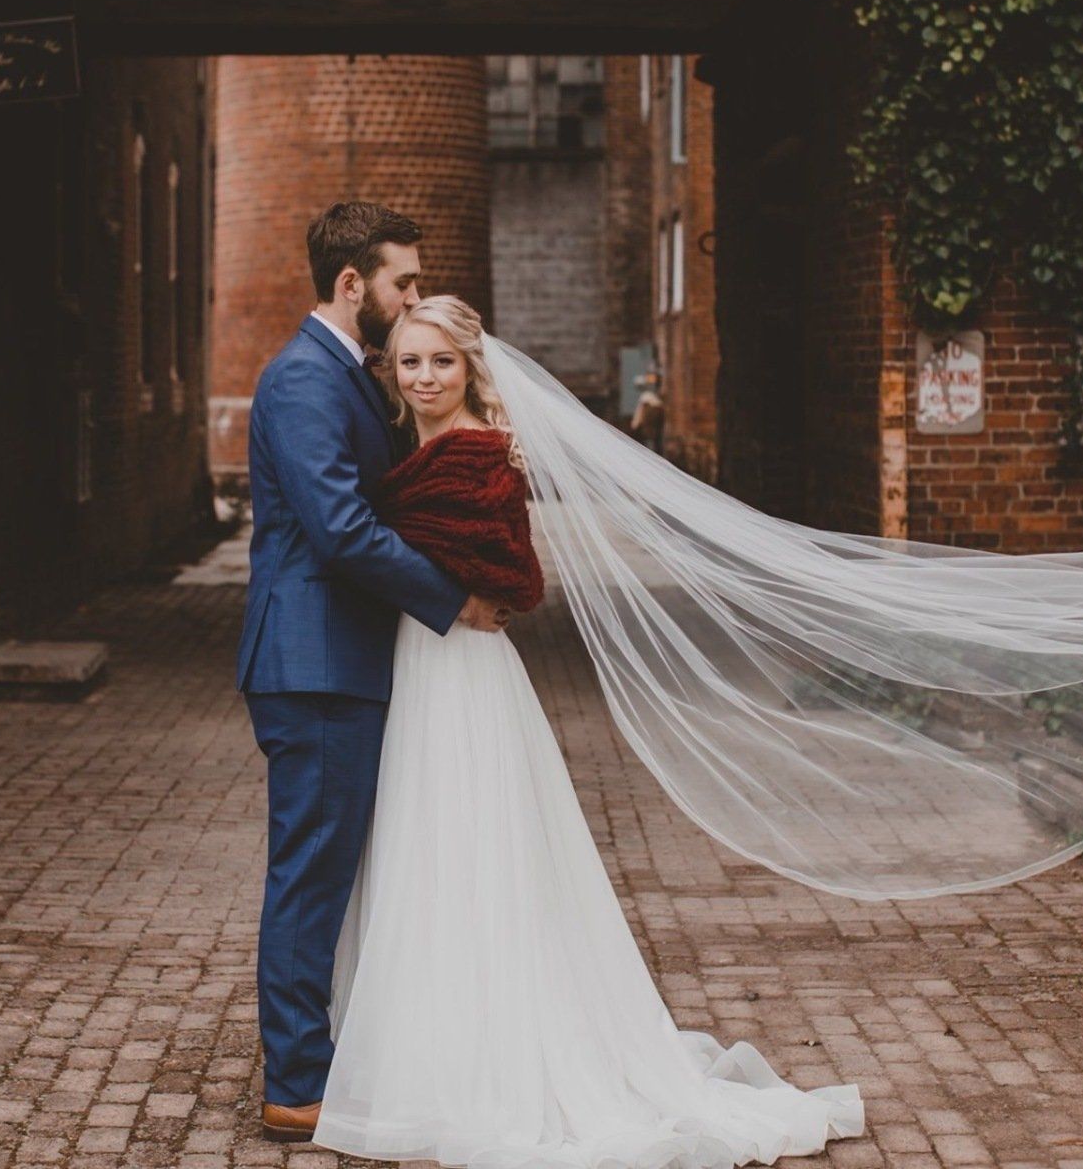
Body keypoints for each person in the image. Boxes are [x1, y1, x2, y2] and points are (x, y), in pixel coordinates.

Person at [311, 296, 867, 1166]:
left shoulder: (481, 456)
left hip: (462, 671)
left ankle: (491, 1058)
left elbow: (507, 571)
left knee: (472, 844)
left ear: (471, 369)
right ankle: (431, 1038)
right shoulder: (406, 447)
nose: (423, 378)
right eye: (409, 363)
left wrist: (444, 582)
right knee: (424, 845)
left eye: (441, 363)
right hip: (415, 666)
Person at [236, 203, 509, 1143]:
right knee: (311, 871)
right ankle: (296, 1082)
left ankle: (327, 1053)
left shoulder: (352, 375)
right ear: (353, 286)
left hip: (342, 656)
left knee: (334, 865)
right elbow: (341, 528)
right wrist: (453, 598)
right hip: (314, 662)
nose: (415, 297)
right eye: (404, 282)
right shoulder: (304, 382)